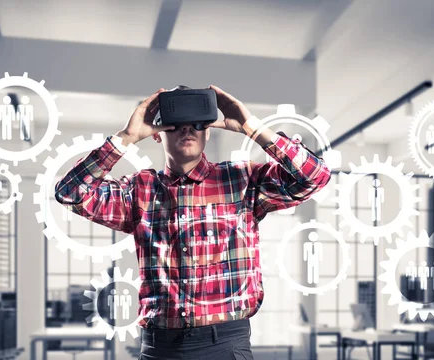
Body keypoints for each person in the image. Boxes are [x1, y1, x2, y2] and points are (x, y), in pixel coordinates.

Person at [55, 85, 331, 360]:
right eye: (176, 124)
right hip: (160, 348)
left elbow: (315, 177)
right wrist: (125, 138)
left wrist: (253, 128)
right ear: (158, 133)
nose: (187, 130)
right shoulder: (139, 190)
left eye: (197, 123)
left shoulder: (242, 180)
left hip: (225, 345)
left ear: (208, 131)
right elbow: (70, 194)